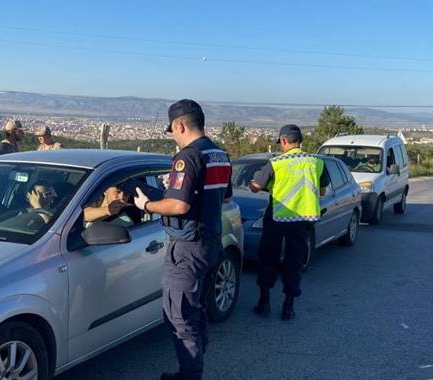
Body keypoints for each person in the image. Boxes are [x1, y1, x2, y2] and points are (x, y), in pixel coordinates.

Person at [133, 99, 232, 380]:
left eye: (173, 131)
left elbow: (178, 206)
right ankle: (196, 359)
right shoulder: (219, 154)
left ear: (180, 125)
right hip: (211, 240)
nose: (174, 136)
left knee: (179, 316)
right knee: (195, 307)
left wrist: (146, 205)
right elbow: (226, 197)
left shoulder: (187, 157)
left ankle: (191, 373)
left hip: (188, 247)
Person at [249, 124, 325, 321]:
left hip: (277, 216)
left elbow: (256, 187)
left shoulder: (276, 163)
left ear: (283, 141)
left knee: (268, 258)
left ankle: (264, 302)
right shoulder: (316, 162)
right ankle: (288, 307)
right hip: (302, 219)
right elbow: (322, 190)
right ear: (301, 141)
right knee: (295, 261)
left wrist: (255, 183)